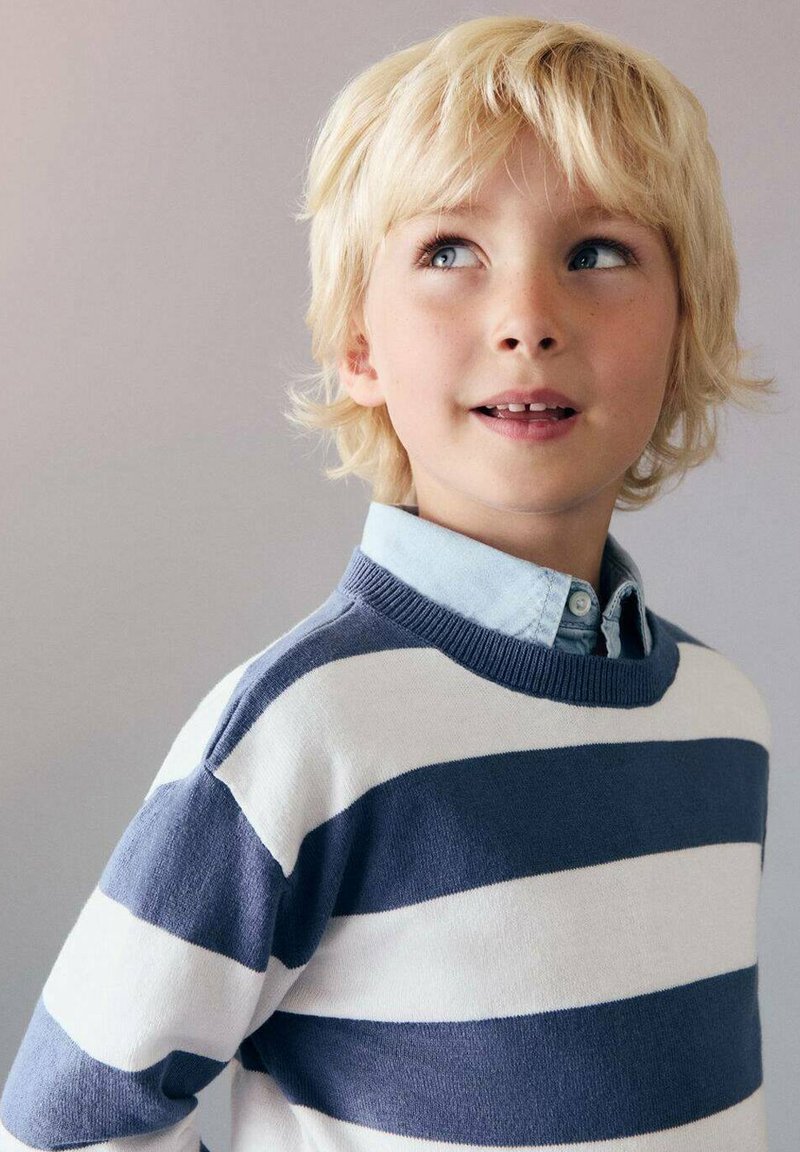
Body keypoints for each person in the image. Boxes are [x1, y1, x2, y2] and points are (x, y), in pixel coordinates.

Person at [1, 14, 778, 1151]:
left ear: (684, 329)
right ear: (359, 347)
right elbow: (66, 1125)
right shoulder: (304, 733)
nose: (528, 320)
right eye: (449, 252)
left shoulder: (723, 717)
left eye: (596, 253)